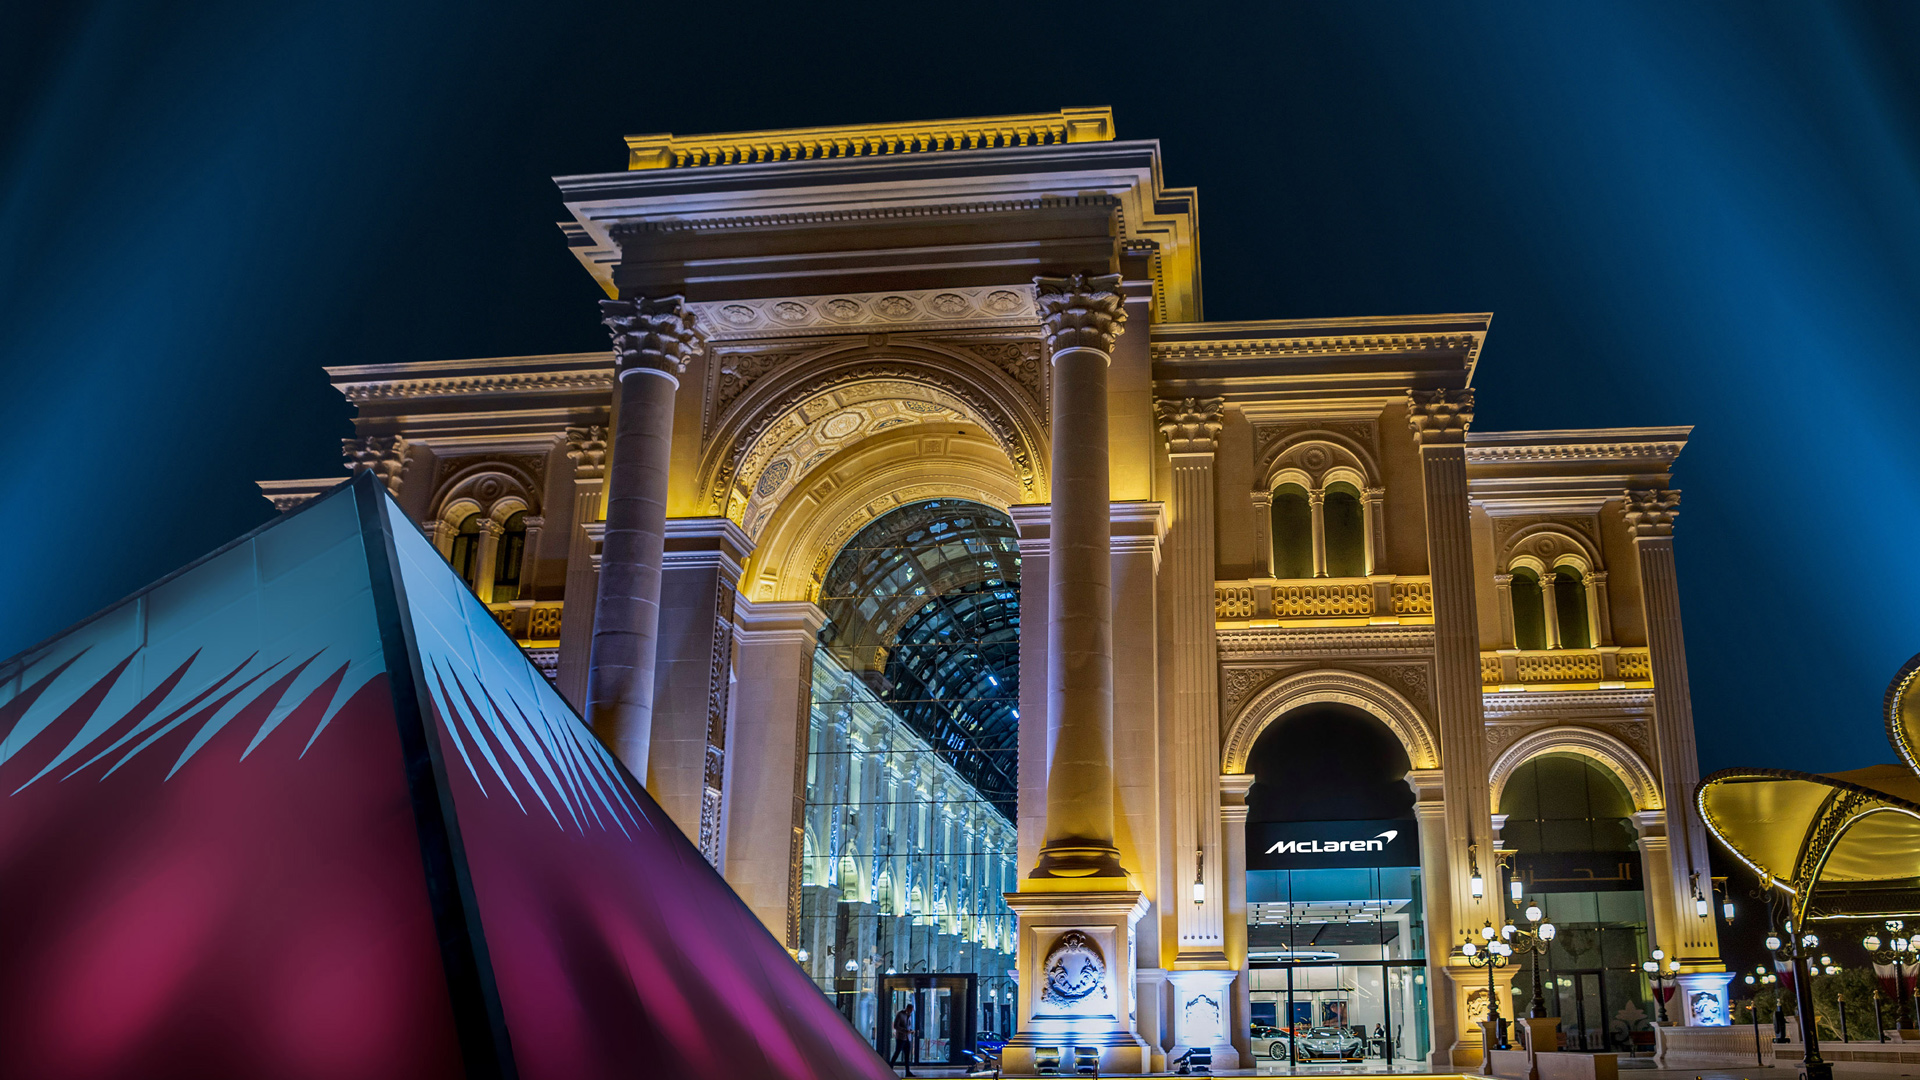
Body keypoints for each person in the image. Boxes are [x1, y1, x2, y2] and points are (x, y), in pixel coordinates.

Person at [890, 1000, 916, 1076]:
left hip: (907, 1038)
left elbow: (908, 1025)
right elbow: (896, 1026)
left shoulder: (909, 1016)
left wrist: (910, 1031)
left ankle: (907, 1072)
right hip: (901, 1038)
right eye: (910, 1010)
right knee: (897, 1053)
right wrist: (905, 1031)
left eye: (912, 1011)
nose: (911, 1012)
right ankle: (890, 1068)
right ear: (907, 1008)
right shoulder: (900, 1014)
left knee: (907, 1056)